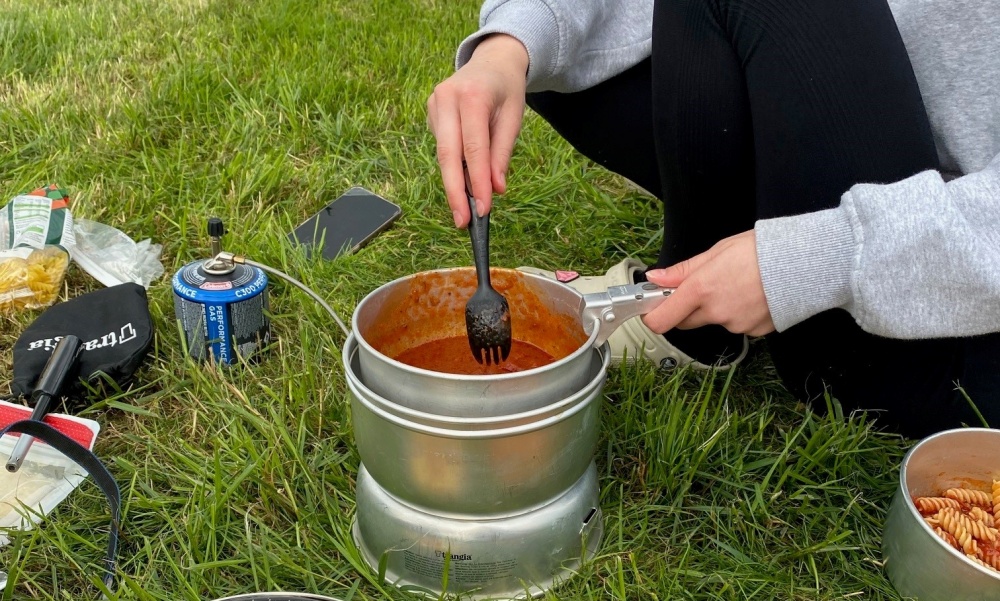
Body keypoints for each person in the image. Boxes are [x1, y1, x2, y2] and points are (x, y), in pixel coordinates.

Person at [426, 0, 1000, 438]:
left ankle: (708, 314)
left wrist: (812, 261)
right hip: (852, 134)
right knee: (543, 53)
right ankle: (696, 317)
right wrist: (507, 49)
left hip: (941, 326)